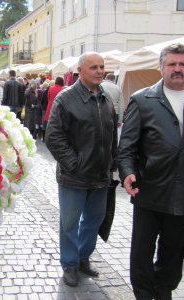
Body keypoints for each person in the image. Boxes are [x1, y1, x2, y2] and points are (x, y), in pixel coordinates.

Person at [117, 43, 184, 300]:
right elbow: (126, 147)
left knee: (173, 251)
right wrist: (127, 172)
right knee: (142, 251)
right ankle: (144, 294)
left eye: (182, 64)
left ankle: (164, 290)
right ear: (161, 67)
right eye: (172, 64)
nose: (177, 69)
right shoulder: (143, 100)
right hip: (149, 190)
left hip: (183, 193)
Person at [45, 52, 117, 287]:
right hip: (73, 177)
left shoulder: (105, 98)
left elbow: (112, 135)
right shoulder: (66, 98)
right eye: (94, 67)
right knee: (69, 223)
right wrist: (74, 165)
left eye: (102, 67)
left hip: (100, 176)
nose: (100, 71)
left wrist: (112, 165)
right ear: (80, 70)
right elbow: (53, 137)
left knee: (93, 221)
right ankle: (69, 264)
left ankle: (83, 258)